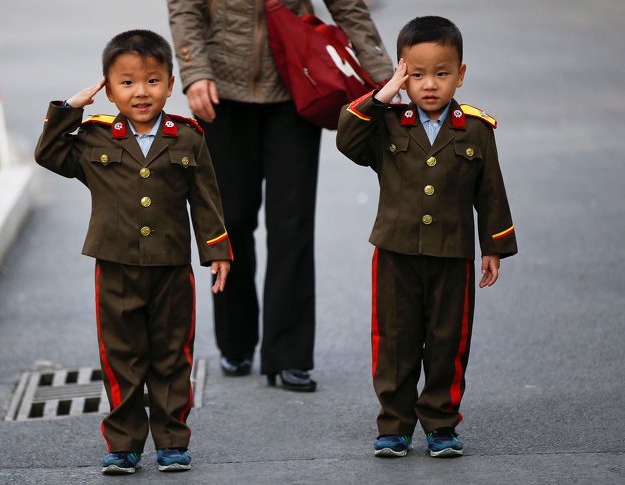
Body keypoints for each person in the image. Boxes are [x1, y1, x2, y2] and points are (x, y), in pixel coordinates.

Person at [167, 0, 394, 392]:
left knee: (292, 223)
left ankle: (289, 353)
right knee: (231, 220)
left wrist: (388, 81)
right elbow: (185, 9)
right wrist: (195, 70)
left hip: (296, 84)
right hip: (222, 90)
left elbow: (349, 8)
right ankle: (236, 340)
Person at [34, 29, 232, 475]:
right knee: (121, 357)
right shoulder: (93, 138)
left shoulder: (187, 137)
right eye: (126, 82)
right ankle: (123, 445)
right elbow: (48, 155)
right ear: (107, 86)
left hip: (171, 266)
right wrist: (70, 109)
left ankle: (171, 442)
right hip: (116, 265)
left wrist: (217, 251)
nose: (141, 92)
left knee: (171, 355)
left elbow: (206, 199)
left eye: (152, 80)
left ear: (170, 82)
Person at [336, 16, 518, 457]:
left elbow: (490, 191)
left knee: (447, 341)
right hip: (395, 253)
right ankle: (394, 426)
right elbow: (347, 138)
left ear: (461, 74)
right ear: (402, 72)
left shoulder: (475, 129)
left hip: (452, 255)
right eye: (416, 74)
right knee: (395, 340)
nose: (430, 84)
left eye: (442, 73)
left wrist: (492, 246)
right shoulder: (387, 123)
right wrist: (385, 93)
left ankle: (440, 424)